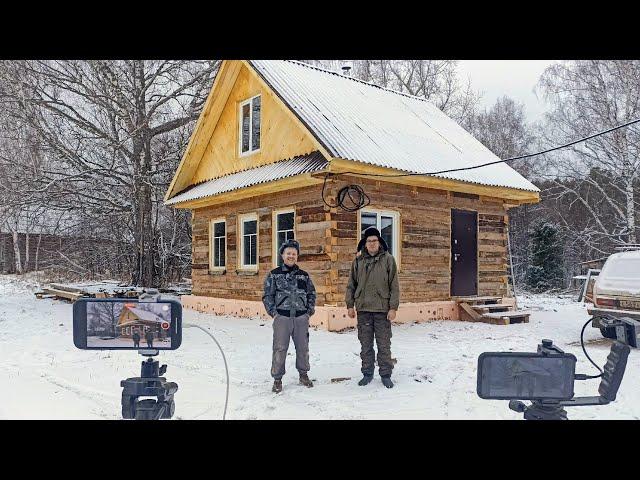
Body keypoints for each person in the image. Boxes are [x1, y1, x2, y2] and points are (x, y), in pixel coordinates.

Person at [346, 227, 400, 388]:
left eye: (374, 240)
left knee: (384, 344)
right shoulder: (358, 261)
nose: (371, 243)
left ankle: (385, 374)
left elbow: (394, 285)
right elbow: (351, 285)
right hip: (363, 310)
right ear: (365, 243)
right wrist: (350, 305)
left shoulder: (388, 259)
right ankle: (367, 373)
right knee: (366, 345)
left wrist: (393, 307)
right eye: (368, 241)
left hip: (382, 310)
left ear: (379, 242)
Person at [262, 239, 317, 393]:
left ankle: (303, 374)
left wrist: (308, 312)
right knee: (280, 348)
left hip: (301, 318)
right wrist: (274, 313)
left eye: (294, 253)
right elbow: (267, 296)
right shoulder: (274, 275)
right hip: (282, 319)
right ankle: (277, 379)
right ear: (282, 255)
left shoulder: (304, 276)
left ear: (297, 256)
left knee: (303, 348)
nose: (291, 256)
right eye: (288, 253)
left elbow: (311, 294)